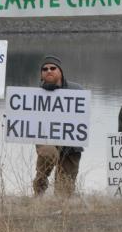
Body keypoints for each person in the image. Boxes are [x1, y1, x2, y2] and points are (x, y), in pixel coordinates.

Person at [33, 55, 84, 197]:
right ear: (41, 74)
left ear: (60, 71)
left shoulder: (77, 90)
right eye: (45, 69)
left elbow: (83, 119)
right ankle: (39, 188)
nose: (49, 71)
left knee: (64, 194)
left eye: (53, 68)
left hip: (71, 143)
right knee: (49, 153)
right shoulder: (35, 94)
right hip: (46, 139)